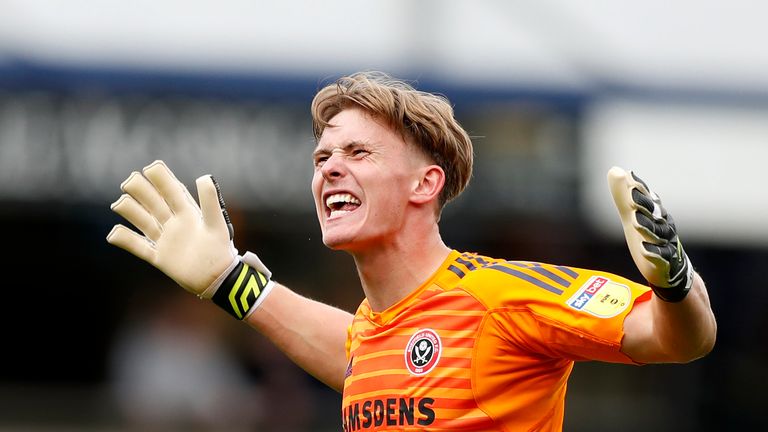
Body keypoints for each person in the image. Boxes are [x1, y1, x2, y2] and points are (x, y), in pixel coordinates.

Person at [106, 71, 717, 431]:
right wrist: (226, 280)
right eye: (323, 158)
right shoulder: (374, 333)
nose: (330, 171)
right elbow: (359, 355)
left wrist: (676, 282)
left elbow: (677, 339)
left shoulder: (498, 297)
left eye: (358, 154)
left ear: (426, 184)